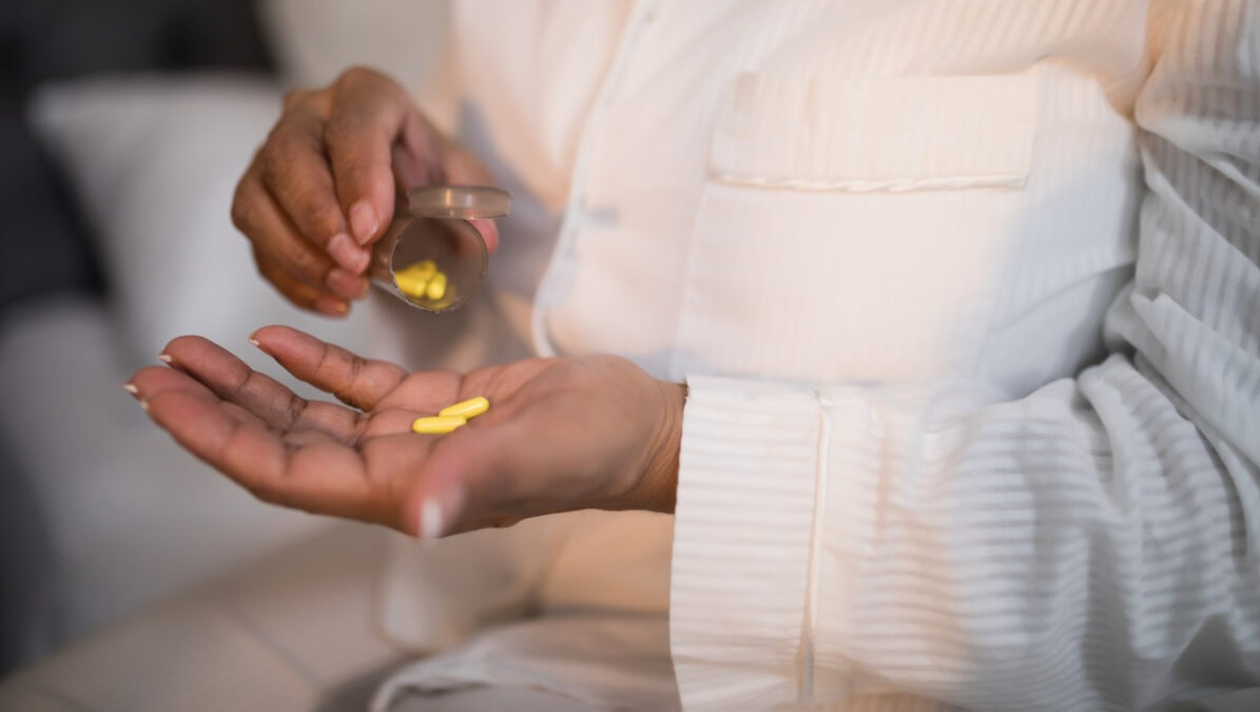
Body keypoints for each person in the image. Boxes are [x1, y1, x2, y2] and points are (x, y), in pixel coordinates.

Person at [7, 1, 1260, 709]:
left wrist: (670, 451)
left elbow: (1229, 522)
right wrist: (408, 207)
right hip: (469, 599)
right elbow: (515, 258)